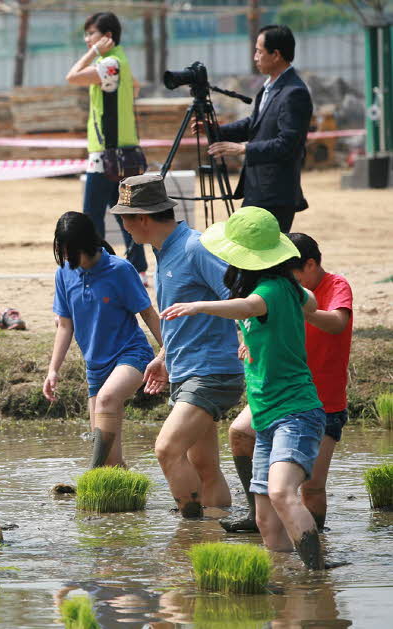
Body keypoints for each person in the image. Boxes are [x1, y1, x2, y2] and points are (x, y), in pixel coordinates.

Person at [160, 206, 327, 570]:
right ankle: (283, 585)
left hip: (295, 414)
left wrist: (199, 305)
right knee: (266, 521)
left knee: (283, 493)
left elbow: (247, 306)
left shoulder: (267, 290)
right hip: (267, 417)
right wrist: (265, 338)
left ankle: (318, 578)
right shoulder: (289, 288)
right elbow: (310, 303)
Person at [113, 174, 241, 518]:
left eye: (124, 218)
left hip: (212, 370)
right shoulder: (164, 251)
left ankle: (190, 526)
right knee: (204, 466)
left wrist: (253, 343)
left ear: (141, 217)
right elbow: (183, 317)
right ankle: (213, 533)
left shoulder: (194, 247)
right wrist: (163, 356)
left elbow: (240, 296)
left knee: (167, 449)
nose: (124, 227)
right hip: (186, 369)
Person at [222, 232, 352, 533]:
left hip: (321, 399)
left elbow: (337, 322)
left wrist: (295, 308)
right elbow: (262, 327)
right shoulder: (282, 291)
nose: (285, 279)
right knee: (240, 433)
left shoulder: (335, 285)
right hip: (280, 393)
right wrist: (253, 342)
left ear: (309, 265)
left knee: (312, 487)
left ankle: (315, 539)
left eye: (290, 273)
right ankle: (257, 512)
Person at [43, 211, 162, 468]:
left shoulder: (120, 270)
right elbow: (65, 325)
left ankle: (91, 476)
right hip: (95, 367)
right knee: (110, 457)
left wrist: (169, 352)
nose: (67, 259)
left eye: (71, 253)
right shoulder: (64, 273)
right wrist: (53, 370)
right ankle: (122, 501)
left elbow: (149, 314)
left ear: (87, 245)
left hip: (131, 356)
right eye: (63, 253)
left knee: (107, 400)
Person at [65, 11, 148, 281]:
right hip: (125, 152)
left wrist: (91, 54)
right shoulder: (121, 61)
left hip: (107, 154)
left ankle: (98, 263)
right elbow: (135, 87)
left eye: (92, 34)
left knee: (92, 215)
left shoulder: (110, 63)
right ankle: (138, 267)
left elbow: (72, 77)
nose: (88, 39)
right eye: (87, 35)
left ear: (108, 37)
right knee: (125, 212)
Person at [208, 25, 312, 233]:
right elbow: (253, 125)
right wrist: (214, 130)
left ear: (276, 55)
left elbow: (288, 144)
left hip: (276, 193)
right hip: (257, 189)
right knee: (246, 254)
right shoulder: (268, 87)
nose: (255, 57)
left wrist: (243, 149)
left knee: (263, 259)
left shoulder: (294, 93)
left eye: (259, 51)